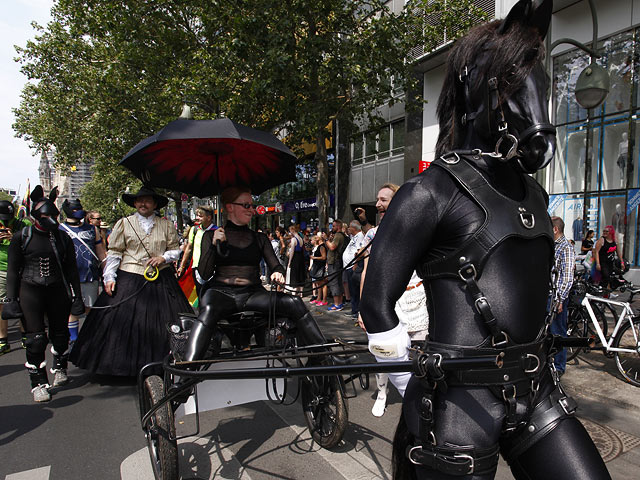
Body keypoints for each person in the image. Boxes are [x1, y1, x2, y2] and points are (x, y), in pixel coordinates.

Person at [182, 186, 330, 367]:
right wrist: (213, 245)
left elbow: (275, 264)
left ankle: (322, 354)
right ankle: (187, 368)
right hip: (221, 293)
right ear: (229, 207)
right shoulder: (211, 235)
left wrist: (277, 272)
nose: (252, 210)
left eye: (252, 205)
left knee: (295, 303)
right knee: (209, 310)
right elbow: (204, 274)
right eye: (246, 205)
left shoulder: (260, 238)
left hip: (253, 294)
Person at [69, 187, 193, 376]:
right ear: (135, 204)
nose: (143, 204)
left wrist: (163, 258)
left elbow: (176, 250)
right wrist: (109, 277)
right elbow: (115, 252)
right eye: (139, 201)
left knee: (169, 320)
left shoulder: (166, 225)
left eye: (147, 201)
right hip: (129, 275)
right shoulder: (124, 224)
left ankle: (167, 363)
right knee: (120, 321)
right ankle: (122, 367)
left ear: (154, 204)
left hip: (161, 277)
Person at [2, 186, 84, 402]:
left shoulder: (62, 238)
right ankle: (38, 383)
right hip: (30, 290)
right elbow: (12, 270)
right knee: (36, 339)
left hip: (57, 290)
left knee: (60, 334)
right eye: (45, 216)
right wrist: (10, 299)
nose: (50, 219)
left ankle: (60, 367)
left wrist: (77, 297)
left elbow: (71, 270)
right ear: (36, 216)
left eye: (52, 215)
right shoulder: (22, 237)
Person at [357, 183, 428, 417]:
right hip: (387, 301)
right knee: (385, 352)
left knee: (420, 353)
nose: (378, 204)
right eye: (377, 200)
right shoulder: (372, 235)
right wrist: (363, 308)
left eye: (384, 200)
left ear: (397, 202)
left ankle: (419, 397)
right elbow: (366, 272)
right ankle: (382, 393)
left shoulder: (417, 228)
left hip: (418, 300)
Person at [59, 199, 106, 347]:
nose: (78, 211)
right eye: (74, 209)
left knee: (90, 308)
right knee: (72, 309)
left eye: (79, 208)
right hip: (68, 277)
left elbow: (101, 252)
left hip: (89, 274)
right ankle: (73, 339)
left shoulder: (92, 230)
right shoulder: (60, 229)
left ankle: (88, 338)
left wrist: (107, 270)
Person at [0, 200, 31, 355]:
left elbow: (33, 243)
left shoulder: (23, 223)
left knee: (22, 302)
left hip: (21, 267)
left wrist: (15, 238)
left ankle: (25, 334)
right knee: (1, 304)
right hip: (1, 268)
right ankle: (2, 340)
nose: (5, 221)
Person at [549, 216, 575, 376]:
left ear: (555, 229)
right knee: (549, 333)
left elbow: (566, 277)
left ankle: (559, 367)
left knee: (558, 332)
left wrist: (559, 299)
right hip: (548, 295)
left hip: (556, 298)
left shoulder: (565, 247)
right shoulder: (552, 246)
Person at [177, 205, 216, 298]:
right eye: (197, 215)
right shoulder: (195, 230)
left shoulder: (217, 231)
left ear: (209, 217)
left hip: (213, 270)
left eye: (200, 216)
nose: (197, 218)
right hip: (197, 269)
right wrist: (182, 266)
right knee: (200, 294)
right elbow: (189, 248)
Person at [342, 220, 364, 321]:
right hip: (349, 267)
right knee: (352, 289)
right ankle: (354, 309)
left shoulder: (360, 236)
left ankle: (357, 311)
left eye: (350, 227)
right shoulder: (354, 237)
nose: (348, 229)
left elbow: (359, 252)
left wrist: (355, 264)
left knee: (355, 290)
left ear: (354, 228)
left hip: (353, 267)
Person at [324, 219, 346, 311]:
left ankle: (337, 304)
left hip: (334, 262)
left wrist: (325, 239)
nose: (331, 228)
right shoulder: (340, 236)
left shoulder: (338, 235)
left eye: (333, 226)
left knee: (334, 283)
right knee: (338, 282)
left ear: (338, 227)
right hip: (336, 262)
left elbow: (332, 247)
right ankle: (339, 303)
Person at [593, 225, 624, 289]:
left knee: (609, 278)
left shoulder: (615, 240)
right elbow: (596, 252)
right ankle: (601, 290)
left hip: (610, 262)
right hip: (603, 262)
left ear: (611, 232)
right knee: (606, 276)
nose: (604, 232)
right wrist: (598, 263)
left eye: (606, 231)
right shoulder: (602, 240)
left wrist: (622, 262)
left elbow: (618, 252)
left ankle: (605, 291)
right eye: (603, 231)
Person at [286, 224, 306, 297]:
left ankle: (294, 292)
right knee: (301, 274)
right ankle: (301, 293)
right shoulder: (301, 238)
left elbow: (292, 252)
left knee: (294, 274)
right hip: (301, 257)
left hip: (295, 258)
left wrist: (289, 261)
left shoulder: (293, 239)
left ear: (292, 230)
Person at [309, 233, 328, 306]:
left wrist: (314, 258)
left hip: (321, 267)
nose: (315, 238)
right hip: (317, 266)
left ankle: (324, 300)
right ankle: (319, 298)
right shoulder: (319, 246)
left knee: (323, 283)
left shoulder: (322, 247)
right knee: (318, 283)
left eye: (317, 237)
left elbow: (324, 257)